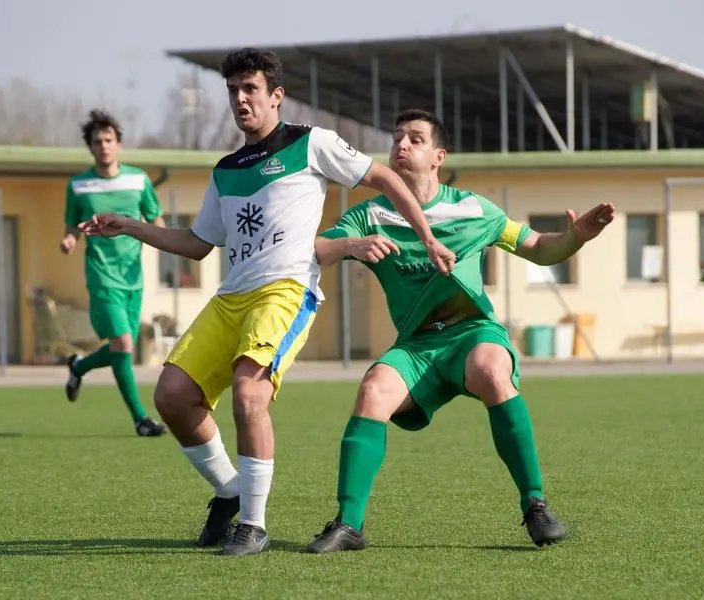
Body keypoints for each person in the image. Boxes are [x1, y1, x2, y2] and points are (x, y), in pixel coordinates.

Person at [77, 48, 456, 556]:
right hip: (231, 296)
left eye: (250, 88)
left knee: (248, 394)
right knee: (171, 394)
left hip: (285, 291)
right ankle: (230, 491)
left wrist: (427, 236)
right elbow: (197, 242)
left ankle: (252, 526)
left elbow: (384, 178)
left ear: (276, 95)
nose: (240, 99)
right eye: (233, 90)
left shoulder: (310, 143)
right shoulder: (226, 169)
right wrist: (129, 227)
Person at [305, 108, 615, 553]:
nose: (401, 145)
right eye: (396, 138)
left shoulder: (473, 208)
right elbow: (315, 248)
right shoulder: (370, 214)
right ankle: (348, 525)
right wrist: (350, 243)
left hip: (472, 334)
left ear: (438, 156)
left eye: (415, 138)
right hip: (416, 347)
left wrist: (576, 238)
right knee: (373, 389)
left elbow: (540, 249)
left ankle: (535, 506)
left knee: (491, 369)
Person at [60, 109, 167, 438]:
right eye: (97, 141)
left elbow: (156, 220)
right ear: (90, 148)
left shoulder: (139, 180)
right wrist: (68, 239)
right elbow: (70, 227)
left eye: (109, 140)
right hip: (102, 275)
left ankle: (79, 366)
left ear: (119, 144)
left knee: (124, 348)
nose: (103, 145)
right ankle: (140, 419)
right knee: (122, 342)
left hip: (133, 277)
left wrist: (163, 238)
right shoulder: (79, 185)